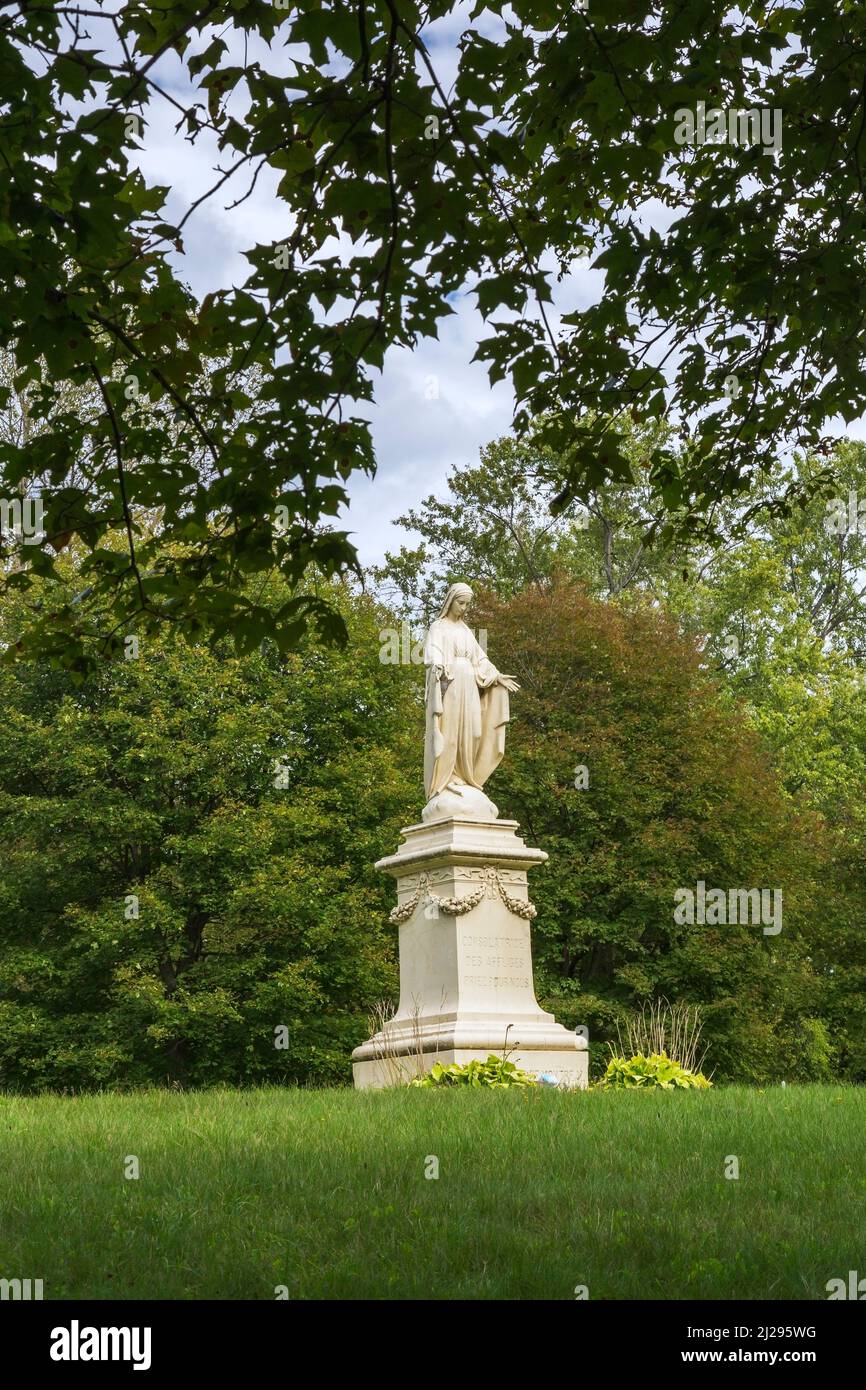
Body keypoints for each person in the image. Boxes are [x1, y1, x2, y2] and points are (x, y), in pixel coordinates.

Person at [423, 582, 519, 810]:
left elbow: (481, 659)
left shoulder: (466, 631)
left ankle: (466, 777)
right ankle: (448, 779)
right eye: (461, 603)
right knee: (451, 732)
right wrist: (436, 665)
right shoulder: (439, 627)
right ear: (451, 601)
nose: (464, 608)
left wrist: (496, 676)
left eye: (467, 604)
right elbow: (433, 651)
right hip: (453, 684)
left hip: (470, 686)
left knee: (474, 732)